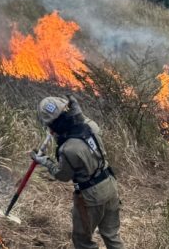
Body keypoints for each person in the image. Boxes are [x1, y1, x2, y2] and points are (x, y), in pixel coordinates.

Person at [31, 95, 123, 249]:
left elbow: (63, 175)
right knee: (112, 235)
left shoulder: (67, 149)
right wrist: (79, 113)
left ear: (51, 126)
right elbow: (82, 121)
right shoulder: (91, 126)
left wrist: (45, 161)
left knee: (82, 241)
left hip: (91, 196)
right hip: (110, 184)